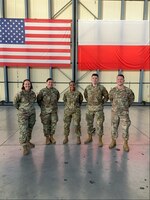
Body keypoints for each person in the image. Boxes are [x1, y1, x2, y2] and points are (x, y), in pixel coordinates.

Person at [109, 74, 135, 152]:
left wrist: (126, 107)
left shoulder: (128, 91)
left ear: (123, 81)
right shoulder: (112, 90)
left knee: (125, 128)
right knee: (114, 127)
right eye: (118, 79)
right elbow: (111, 99)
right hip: (115, 112)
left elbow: (131, 99)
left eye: (121, 79)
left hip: (124, 113)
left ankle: (125, 143)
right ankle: (113, 141)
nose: (119, 80)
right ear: (116, 80)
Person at [84, 73, 109, 147]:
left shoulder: (101, 88)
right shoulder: (88, 88)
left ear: (98, 80)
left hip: (99, 109)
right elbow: (86, 96)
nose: (94, 80)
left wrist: (101, 103)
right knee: (89, 124)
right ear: (91, 79)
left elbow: (106, 96)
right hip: (89, 109)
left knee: (99, 124)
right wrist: (90, 102)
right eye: (93, 78)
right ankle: (90, 137)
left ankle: (100, 140)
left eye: (96, 78)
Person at [13, 79, 36, 156]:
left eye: (28, 84)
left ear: (30, 85)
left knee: (30, 128)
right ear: (23, 85)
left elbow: (33, 102)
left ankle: (28, 141)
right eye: (26, 84)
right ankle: (24, 146)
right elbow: (15, 103)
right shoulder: (20, 94)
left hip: (32, 114)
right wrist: (21, 109)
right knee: (23, 130)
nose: (27, 85)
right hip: (23, 115)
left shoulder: (33, 93)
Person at [37, 78, 60, 145]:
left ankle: (51, 137)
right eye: (49, 82)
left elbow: (57, 98)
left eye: (52, 82)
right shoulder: (42, 91)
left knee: (53, 124)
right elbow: (39, 100)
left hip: (53, 111)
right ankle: (47, 138)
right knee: (46, 125)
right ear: (46, 83)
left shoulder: (56, 91)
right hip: (45, 112)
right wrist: (43, 108)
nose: (50, 83)